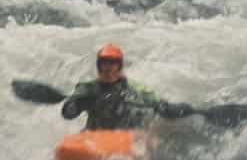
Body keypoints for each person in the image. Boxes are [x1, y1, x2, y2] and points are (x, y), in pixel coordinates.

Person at [53, 44, 200, 132]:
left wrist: (162, 107)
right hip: (95, 134)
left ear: (119, 66)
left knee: (141, 114)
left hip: (125, 135)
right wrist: (72, 106)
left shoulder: (135, 89)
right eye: (104, 63)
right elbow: (68, 113)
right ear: (99, 66)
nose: (108, 67)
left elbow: (155, 101)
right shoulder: (87, 88)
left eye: (112, 63)